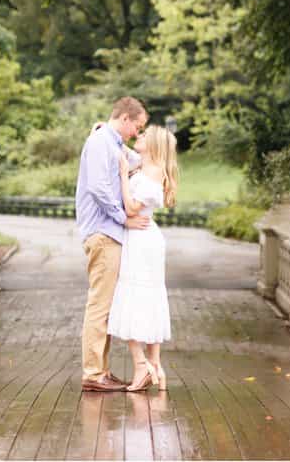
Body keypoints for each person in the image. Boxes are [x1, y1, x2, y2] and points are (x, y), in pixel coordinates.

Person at [74, 96, 150, 392]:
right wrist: (123, 218)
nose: (137, 133)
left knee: (105, 306)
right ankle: (93, 374)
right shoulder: (99, 143)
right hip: (103, 233)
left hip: (109, 233)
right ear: (126, 118)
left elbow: (141, 161)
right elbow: (97, 188)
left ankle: (101, 370)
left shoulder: (113, 142)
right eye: (138, 127)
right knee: (99, 305)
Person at [107, 124, 178, 391]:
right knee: (147, 297)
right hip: (144, 237)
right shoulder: (146, 164)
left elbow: (132, 207)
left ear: (155, 145)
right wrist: (105, 129)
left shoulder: (151, 170)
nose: (140, 135)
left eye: (146, 135)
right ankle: (155, 363)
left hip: (141, 238)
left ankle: (142, 365)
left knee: (134, 297)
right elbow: (120, 148)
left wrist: (124, 175)